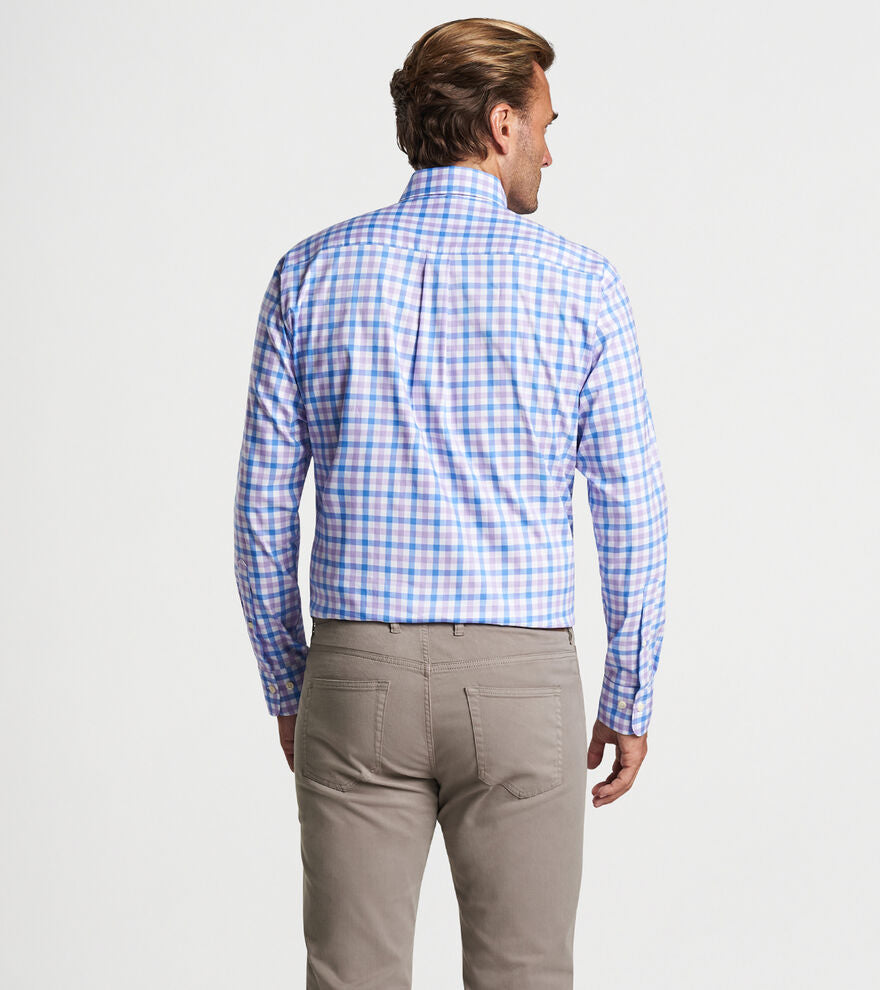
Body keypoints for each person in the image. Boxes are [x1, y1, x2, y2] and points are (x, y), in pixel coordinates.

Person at [233, 16, 668, 989]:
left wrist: (289, 684)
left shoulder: (309, 273)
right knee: (526, 976)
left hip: (356, 674)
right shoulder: (581, 285)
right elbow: (632, 511)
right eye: (545, 124)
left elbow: (262, 514)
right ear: (502, 123)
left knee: (349, 976)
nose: (550, 151)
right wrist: (628, 693)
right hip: (522, 682)